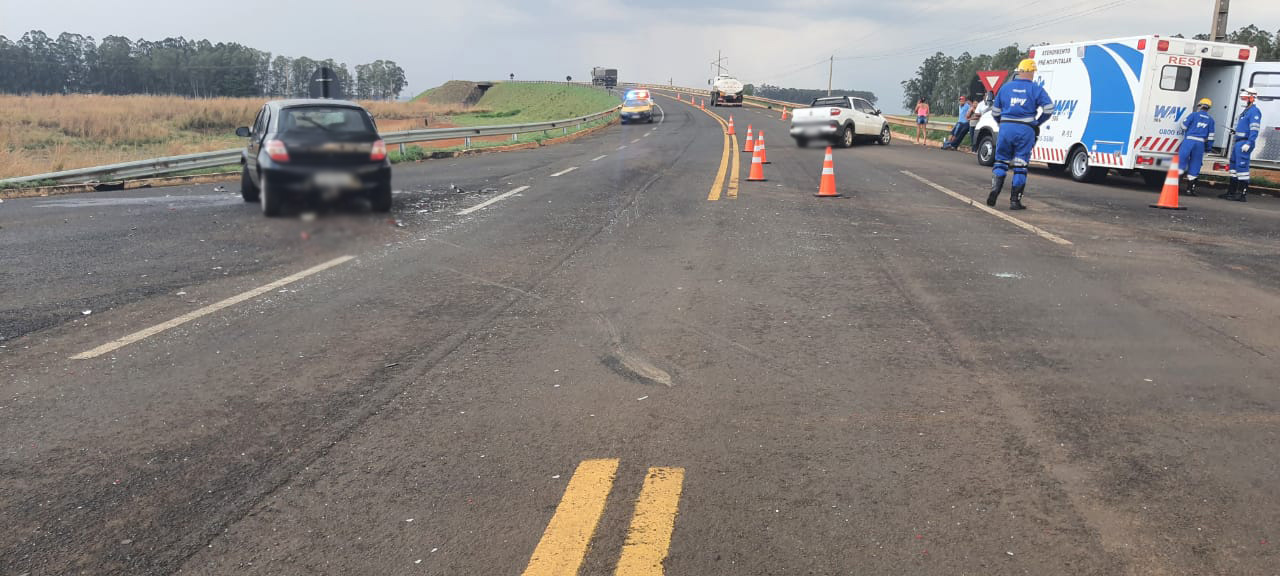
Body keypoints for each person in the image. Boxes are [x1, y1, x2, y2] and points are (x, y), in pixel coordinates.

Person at [987, 59, 1054, 210]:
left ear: (1019, 71)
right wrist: (1038, 121)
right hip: (1026, 130)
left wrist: (1001, 122)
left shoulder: (1006, 88)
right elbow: (1049, 109)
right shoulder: (1036, 89)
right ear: (1031, 72)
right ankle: (1014, 201)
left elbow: (995, 112)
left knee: (1001, 161)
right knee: (1020, 165)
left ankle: (995, 189)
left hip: (1006, 128)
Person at [1220, 88, 1263, 202]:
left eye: (1245, 95)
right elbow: (1244, 127)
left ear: (1251, 97)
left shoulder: (1254, 111)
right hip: (1238, 142)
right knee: (1234, 168)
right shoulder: (1246, 111)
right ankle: (1231, 192)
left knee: (1242, 168)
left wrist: (1249, 143)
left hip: (1245, 143)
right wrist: (1235, 132)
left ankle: (1242, 194)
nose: (1243, 98)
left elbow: (1254, 129)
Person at [1177, 98, 1215, 196]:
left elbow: (1183, 126)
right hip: (1200, 144)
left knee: (1181, 162)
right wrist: (1208, 148)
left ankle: (1175, 186)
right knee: (1195, 164)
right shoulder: (1211, 120)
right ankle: (1190, 190)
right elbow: (1211, 137)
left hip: (1189, 141)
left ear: (1200, 106)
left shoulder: (1193, 115)